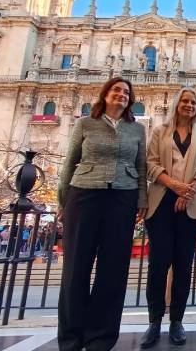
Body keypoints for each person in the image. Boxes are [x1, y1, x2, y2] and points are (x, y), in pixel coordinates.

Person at [57, 77, 147, 351]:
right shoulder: (85, 124)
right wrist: (62, 201)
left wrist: (141, 199)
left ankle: (101, 337)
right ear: (105, 94)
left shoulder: (137, 129)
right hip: (84, 194)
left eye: (126, 92)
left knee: (114, 269)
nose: (121, 94)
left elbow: (141, 166)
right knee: (75, 268)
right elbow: (70, 162)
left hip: (123, 196)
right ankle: (71, 337)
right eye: (116, 90)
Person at [140, 87, 196, 348]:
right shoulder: (160, 131)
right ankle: (154, 321)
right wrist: (174, 186)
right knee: (158, 265)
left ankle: (177, 321)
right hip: (161, 202)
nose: (189, 105)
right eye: (184, 101)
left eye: (193, 102)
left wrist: (188, 190)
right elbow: (149, 164)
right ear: (176, 104)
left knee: (183, 265)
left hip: (191, 205)